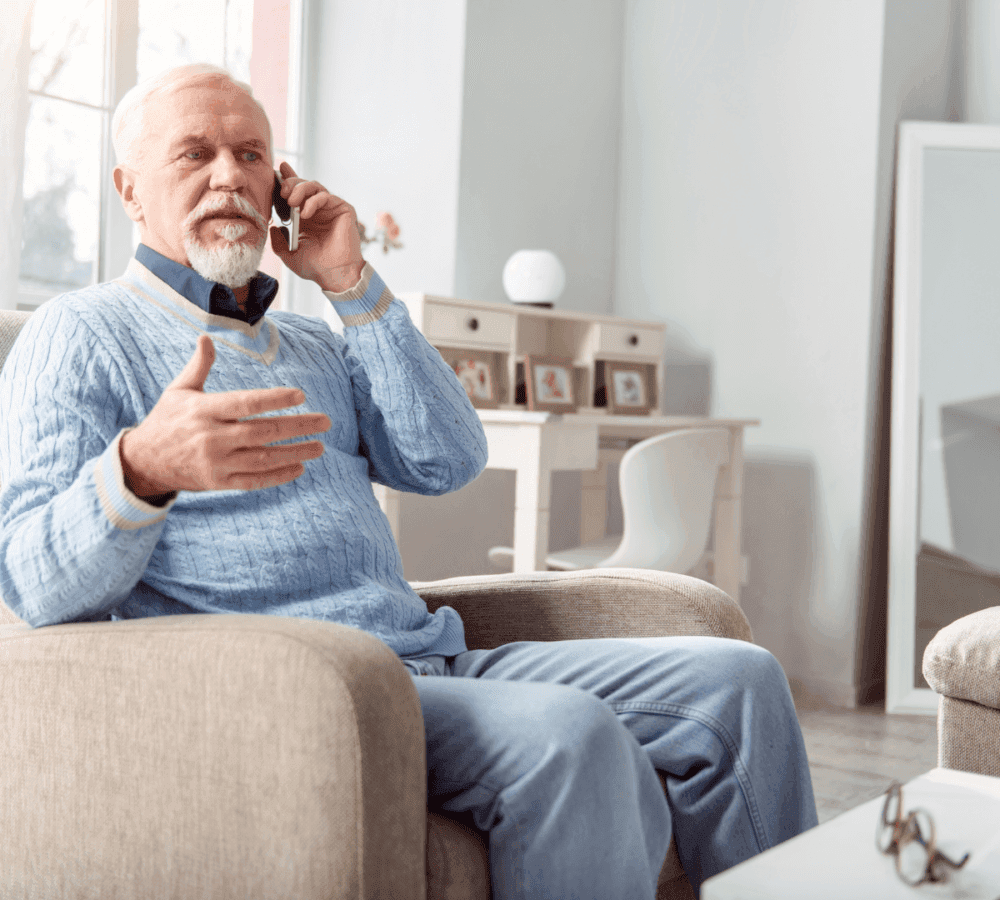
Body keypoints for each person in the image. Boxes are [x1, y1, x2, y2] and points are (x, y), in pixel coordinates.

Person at [0, 64, 817, 898]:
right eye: (194, 154)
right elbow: (31, 580)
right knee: (570, 735)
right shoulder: (77, 332)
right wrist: (140, 470)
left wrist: (352, 287)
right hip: (298, 693)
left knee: (741, 685)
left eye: (251, 154)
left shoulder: (317, 343)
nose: (229, 176)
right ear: (129, 190)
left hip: (430, 665)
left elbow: (447, 458)